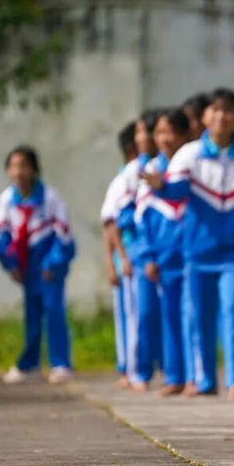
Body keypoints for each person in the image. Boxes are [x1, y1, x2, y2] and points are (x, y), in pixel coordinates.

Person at [143, 88, 234, 401]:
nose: (221, 116)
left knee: (232, 311)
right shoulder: (189, 154)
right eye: (215, 110)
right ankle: (203, 381)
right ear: (204, 117)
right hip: (197, 252)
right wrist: (161, 185)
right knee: (197, 316)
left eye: (228, 110)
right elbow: (175, 192)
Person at [0, 145, 76, 384]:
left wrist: (54, 263)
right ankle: (30, 364)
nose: (19, 172)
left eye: (24, 166)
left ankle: (60, 363)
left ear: (34, 170)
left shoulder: (50, 198)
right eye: (14, 167)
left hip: (48, 263)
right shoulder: (7, 199)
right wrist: (11, 264)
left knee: (53, 311)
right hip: (26, 264)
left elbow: (64, 235)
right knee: (32, 315)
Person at [134, 108, 190, 396]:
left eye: (170, 132)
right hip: (164, 258)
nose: (164, 139)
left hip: (191, 254)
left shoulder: (190, 164)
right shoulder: (151, 171)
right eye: (159, 133)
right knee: (169, 317)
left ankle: (195, 375)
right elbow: (141, 219)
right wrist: (148, 257)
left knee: (191, 317)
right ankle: (175, 375)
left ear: (184, 135)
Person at [115, 109, 162, 391]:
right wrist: (133, 251)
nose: (140, 138)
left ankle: (171, 370)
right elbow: (122, 216)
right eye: (139, 133)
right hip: (143, 254)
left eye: (146, 132)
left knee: (170, 315)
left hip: (170, 252)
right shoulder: (134, 171)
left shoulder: (171, 165)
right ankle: (139, 371)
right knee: (142, 314)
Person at [100, 121, 138, 388]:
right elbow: (109, 224)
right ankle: (126, 368)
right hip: (125, 258)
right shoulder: (121, 181)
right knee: (127, 315)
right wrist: (114, 263)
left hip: (145, 256)